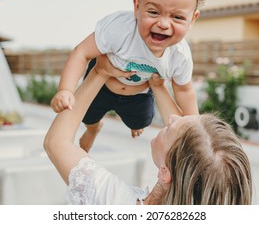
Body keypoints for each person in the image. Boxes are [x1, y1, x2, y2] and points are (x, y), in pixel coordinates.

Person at [44, 55, 252, 205]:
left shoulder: (115, 202)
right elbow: (192, 144)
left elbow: (57, 143)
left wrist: (99, 72)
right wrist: (159, 86)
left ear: (165, 173)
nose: (171, 117)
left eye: (169, 127)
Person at [50, 0, 206, 151]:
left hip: (138, 94)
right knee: (87, 116)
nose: (164, 24)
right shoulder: (119, 29)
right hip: (103, 86)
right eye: (153, 12)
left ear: (192, 19)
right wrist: (65, 89)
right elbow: (81, 52)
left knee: (141, 120)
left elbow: (184, 91)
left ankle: (134, 126)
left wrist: (195, 129)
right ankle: (93, 129)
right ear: (137, 7)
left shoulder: (179, 56)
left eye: (177, 17)